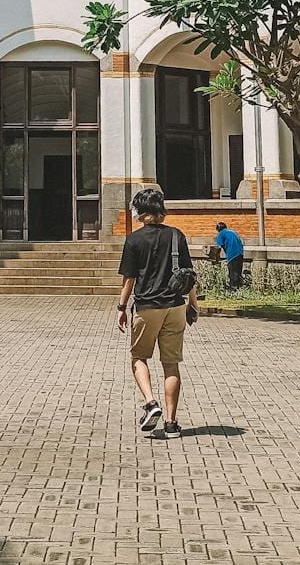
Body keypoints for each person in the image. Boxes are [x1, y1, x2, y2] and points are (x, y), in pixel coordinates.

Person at [115, 188, 197, 440]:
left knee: (139, 357)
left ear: (140, 211)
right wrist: (193, 305)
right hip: (174, 307)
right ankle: (171, 425)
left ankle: (151, 403)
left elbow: (129, 279)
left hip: (147, 307)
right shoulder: (176, 236)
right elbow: (189, 276)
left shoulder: (134, 240)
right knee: (171, 365)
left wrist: (121, 308)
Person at [214, 222, 246, 291]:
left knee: (232, 273)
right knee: (238, 272)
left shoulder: (221, 233)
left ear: (218, 229)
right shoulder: (232, 232)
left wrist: (216, 258)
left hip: (232, 254)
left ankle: (233, 289)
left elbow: (218, 248)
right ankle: (239, 287)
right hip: (240, 253)